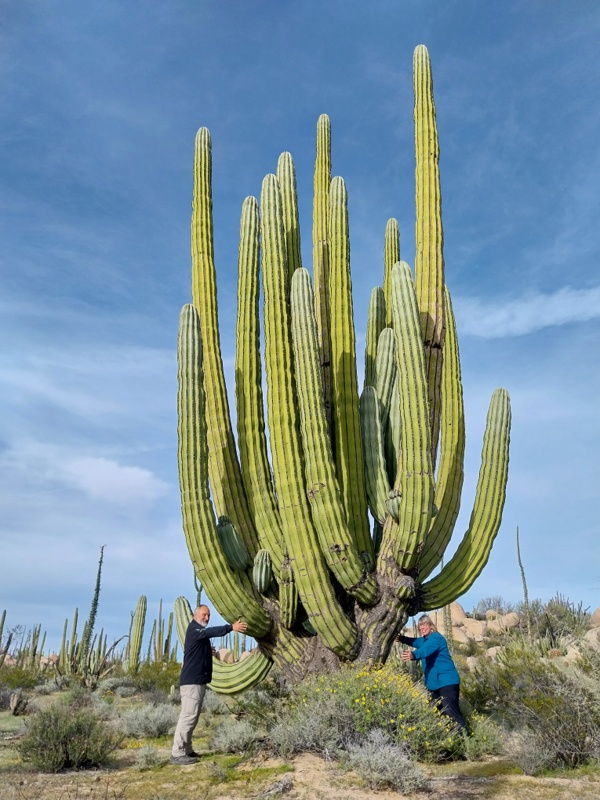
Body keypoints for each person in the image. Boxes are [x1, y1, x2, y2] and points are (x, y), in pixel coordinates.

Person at [170, 605, 248, 764]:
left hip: (197, 681)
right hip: (191, 682)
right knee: (188, 716)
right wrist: (231, 628)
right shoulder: (194, 629)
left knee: (193, 716)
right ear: (195, 615)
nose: (207, 618)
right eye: (204, 615)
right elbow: (208, 632)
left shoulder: (199, 633)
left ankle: (187, 749)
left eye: (209, 615)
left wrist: (207, 651)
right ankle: (177, 753)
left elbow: (200, 646)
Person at [399, 613, 466, 731]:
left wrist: (414, 655)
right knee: (435, 712)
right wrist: (401, 639)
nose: (422, 628)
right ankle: (447, 740)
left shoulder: (436, 638)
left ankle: (465, 740)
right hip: (433, 684)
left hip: (447, 682)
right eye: (420, 626)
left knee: (451, 713)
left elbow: (426, 650)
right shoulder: (424, 640)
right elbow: (414, 642)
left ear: (431, 626)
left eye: (424, 625)